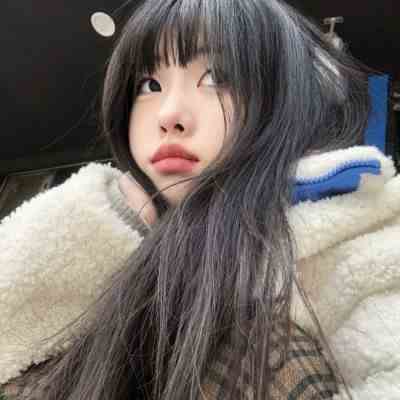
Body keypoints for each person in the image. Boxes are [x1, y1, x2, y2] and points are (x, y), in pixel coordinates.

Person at [1, 0, 400, 399]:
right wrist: (108, 215)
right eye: (149, 85)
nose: (169, 115)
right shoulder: (103, 222)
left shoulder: (354, 226)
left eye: (216, 78)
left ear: (290, 98)